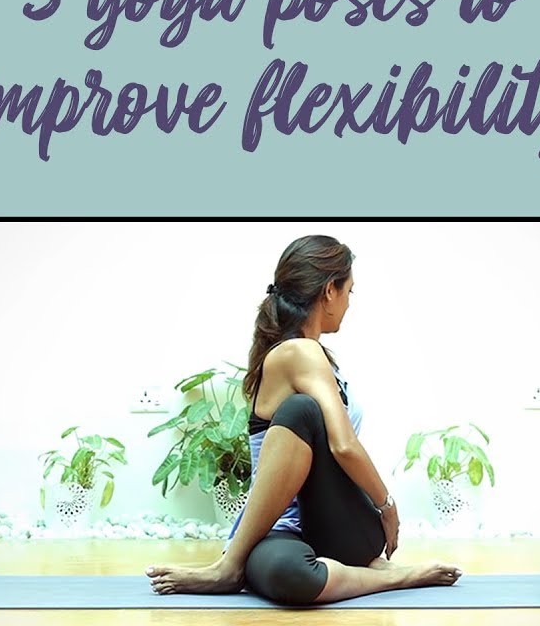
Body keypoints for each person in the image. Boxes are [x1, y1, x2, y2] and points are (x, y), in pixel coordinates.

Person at [146, 235, 463, 605]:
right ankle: (369, 571)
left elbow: (342, 447)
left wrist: (383, 507)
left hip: (339, 526)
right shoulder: (299, 352)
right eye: (349, 292)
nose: (349, 303)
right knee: (289, 576)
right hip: (280, 533)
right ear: (330, 290)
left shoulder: (316, 357)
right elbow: (344, 444)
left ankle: (232, 567)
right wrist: (387, 506)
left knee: (301, 410)